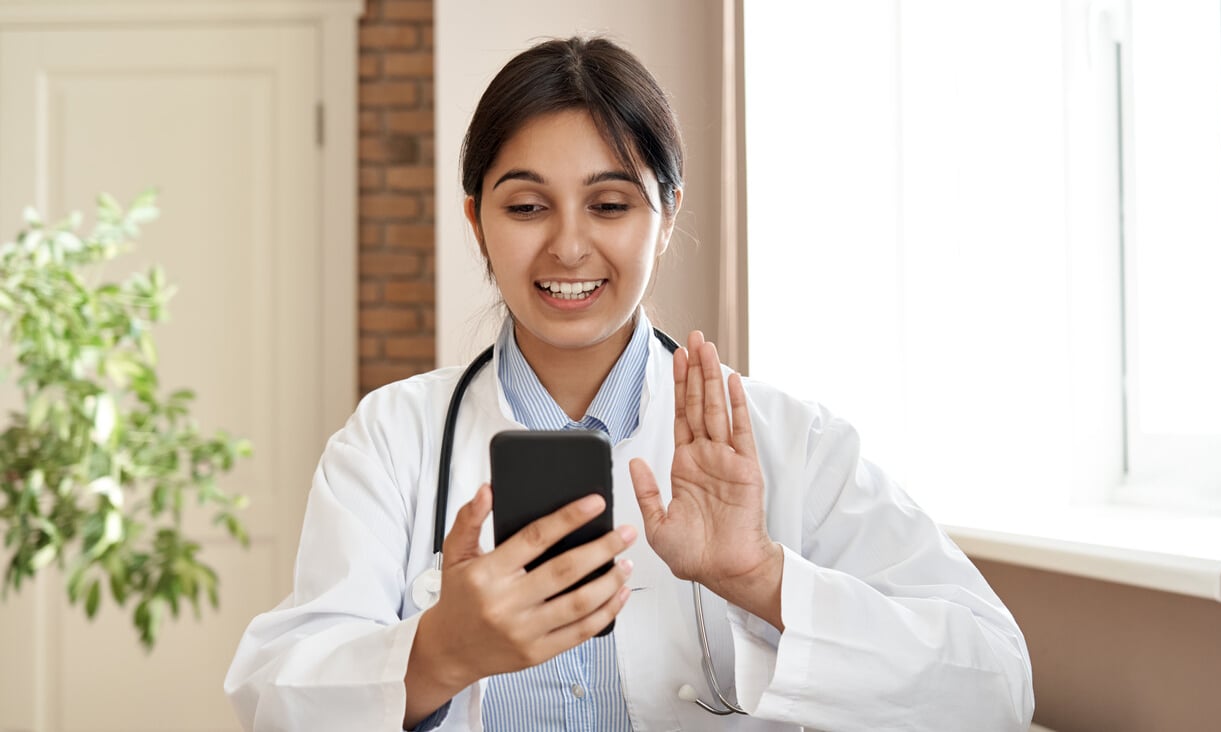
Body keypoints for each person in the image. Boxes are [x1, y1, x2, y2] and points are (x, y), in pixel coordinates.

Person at [224, 36, 1034, 731]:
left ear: (668, 213)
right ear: (476, 221)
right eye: (527, 206)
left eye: (610, 205)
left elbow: (995, 687)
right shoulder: (392, 438)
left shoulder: (789, 439)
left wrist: (758, 577)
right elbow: (272, 695)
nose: (569, 249)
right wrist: (436, 654)